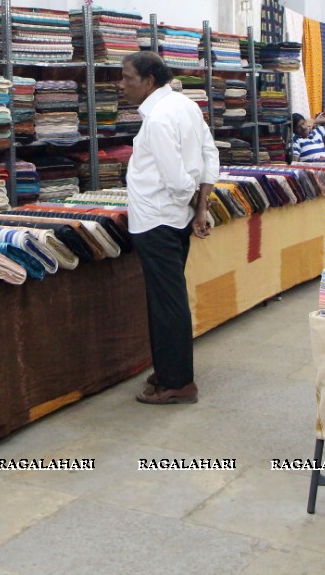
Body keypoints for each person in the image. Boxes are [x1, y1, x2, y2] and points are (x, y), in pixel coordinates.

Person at [120, 52, 220, 405]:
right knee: (167, 299)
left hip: (157, 219)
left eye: (127, 77)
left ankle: (178, 382)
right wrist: (200, 206)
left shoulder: (160, 118)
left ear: (149, 81)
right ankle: (167, 370)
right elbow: (210, 155)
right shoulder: (185, 105)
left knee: (166, 301)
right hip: (173, 219)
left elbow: (177, 179)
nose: (122, 84)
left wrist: (190, 199)